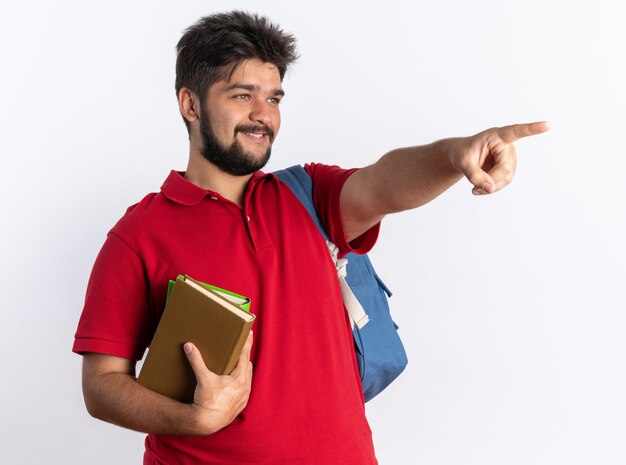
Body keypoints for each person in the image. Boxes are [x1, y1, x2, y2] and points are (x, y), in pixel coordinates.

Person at [72, 10, 549, 465]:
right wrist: (193, 418)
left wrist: (453, 154)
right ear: (190, 103)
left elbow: (384, 183)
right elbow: (101, 386)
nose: (264, 115)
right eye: (242, 95)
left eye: (274, 98)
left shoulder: (307, 194)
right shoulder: (138, 235)